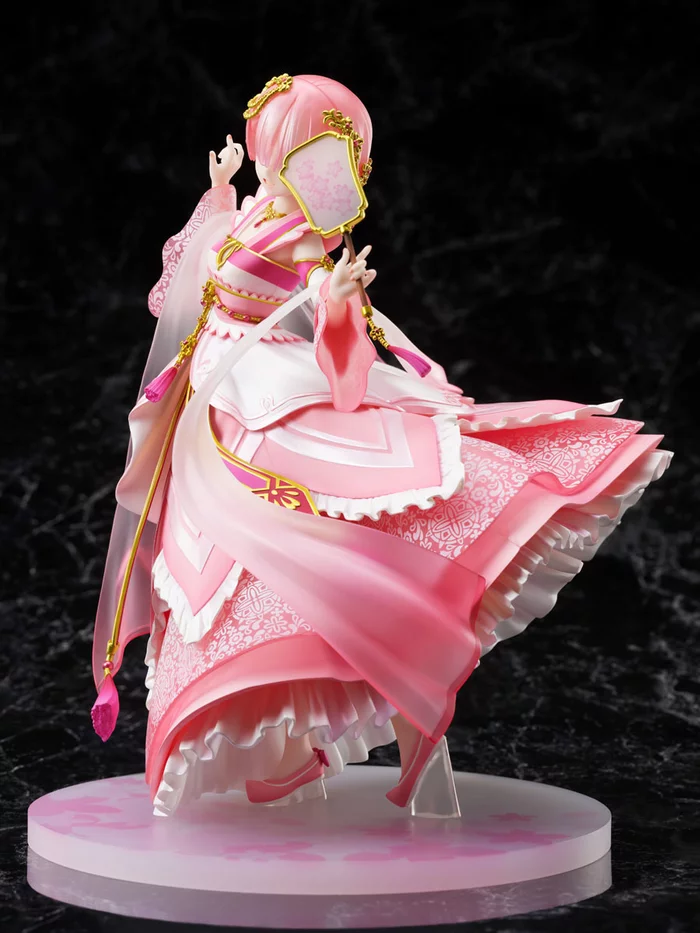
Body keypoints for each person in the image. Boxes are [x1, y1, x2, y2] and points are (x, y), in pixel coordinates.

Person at [91, 74, 671, 819]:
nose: (273, 159)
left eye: (288, 148)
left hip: (269, 396)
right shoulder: (252, 208)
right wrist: (219, 192)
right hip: (217, 404)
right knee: (238, 574)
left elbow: (343, 350)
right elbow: (180, 286)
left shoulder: (308, 237)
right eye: (271, 145)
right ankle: (290, 753)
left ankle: (395, 696)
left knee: (318, 548)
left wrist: (336, 306)